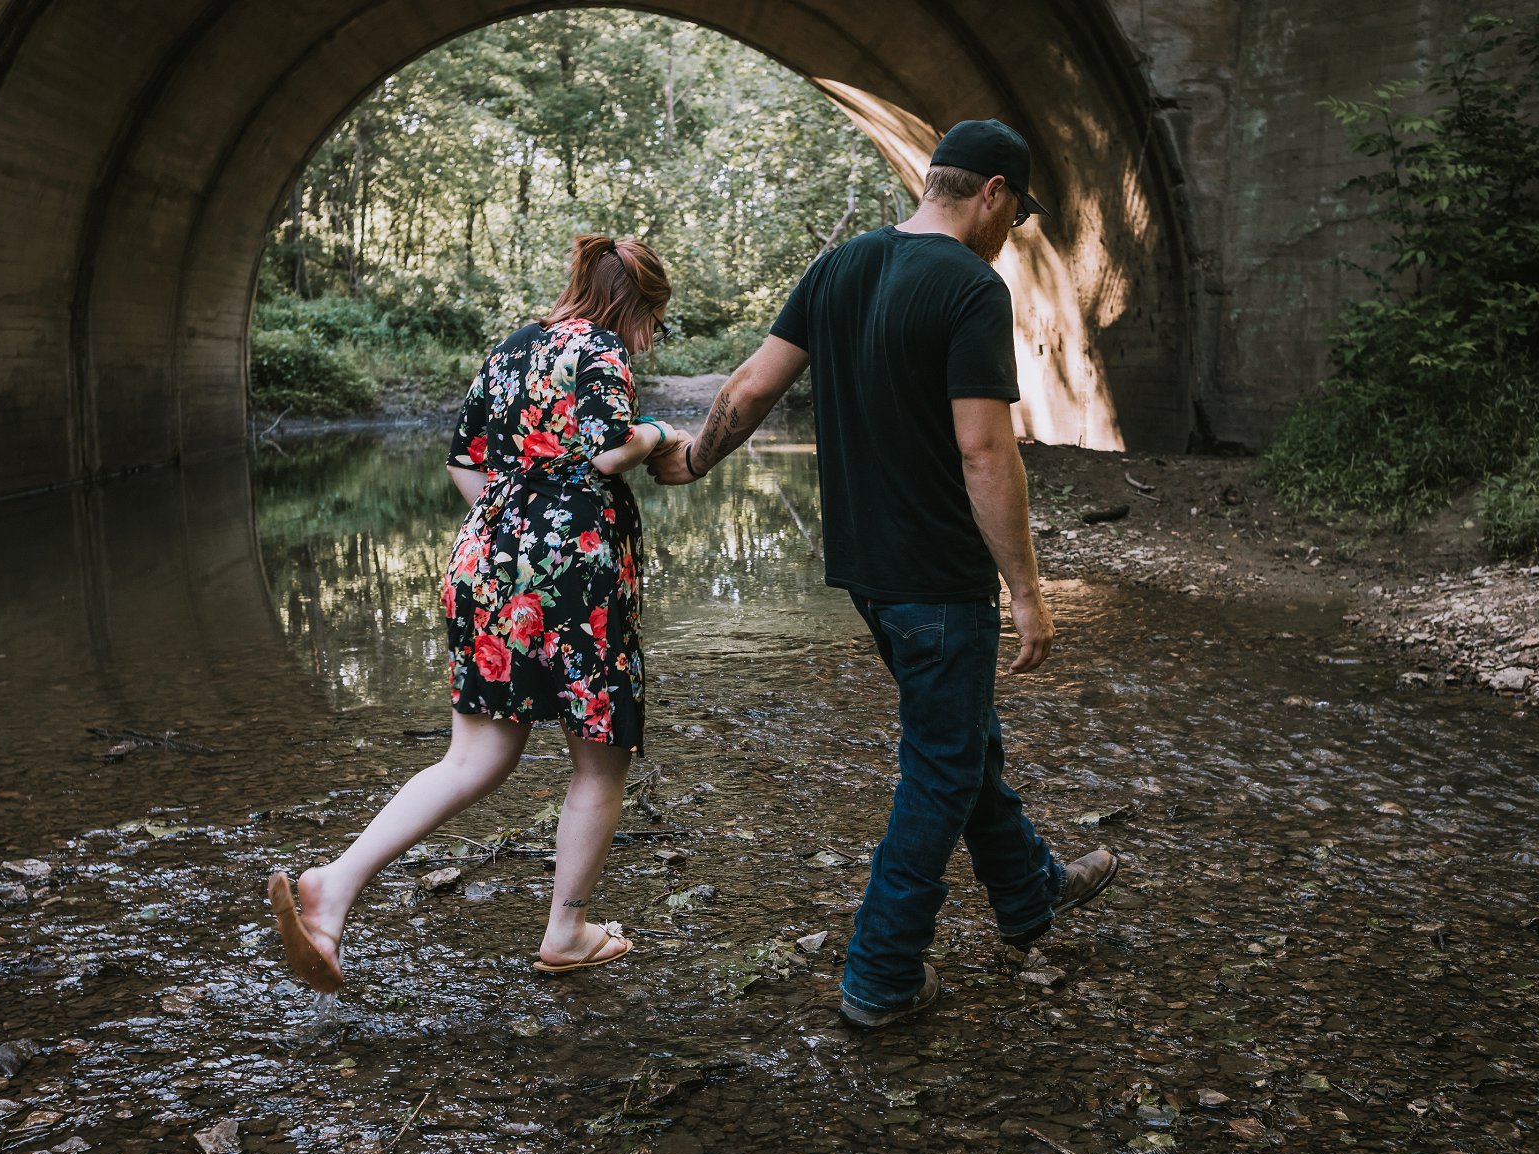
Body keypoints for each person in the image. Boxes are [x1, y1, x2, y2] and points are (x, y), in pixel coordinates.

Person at [651, 120, 1120, 1028]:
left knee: (959, 737)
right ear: (990, 191)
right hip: (939, 574)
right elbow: (984, 451)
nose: (1010, 232)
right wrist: (1027, 590)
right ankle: (882, 974)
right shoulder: (970, 287)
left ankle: (1029, 893)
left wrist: (691, 460)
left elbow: (751, 387)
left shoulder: (840, 266)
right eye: (1015, 214)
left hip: (865, 569)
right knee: (941, 768)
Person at [270, 234, 682, 991]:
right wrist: (663, 433)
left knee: (475, 757)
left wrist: (512, 530)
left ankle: (334, 885)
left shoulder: (512, 348)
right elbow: (610, 450)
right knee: (600, 756)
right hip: (576, 581)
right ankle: (567, 931)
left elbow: (464, 464)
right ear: (637, 306)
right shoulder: (598, 348)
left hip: (483, 566)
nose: (648, 338)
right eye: (653, 321)